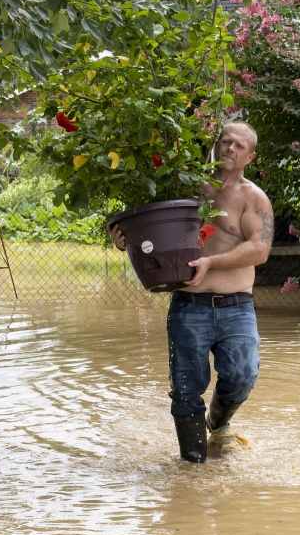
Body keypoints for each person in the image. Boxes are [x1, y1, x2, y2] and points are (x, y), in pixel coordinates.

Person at [109, 121, 274, 463]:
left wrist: (211, 261)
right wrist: (123, 237)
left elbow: (260, 250)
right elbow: (146, 227)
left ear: (249, 156)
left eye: (239, 146)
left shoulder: (252, 197)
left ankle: (218, 422)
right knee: (185, 392)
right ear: (215, 144)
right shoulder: (184, 186)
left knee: (242, 377)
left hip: (236, 306)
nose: (230, 148)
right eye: (226, 141)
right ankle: (193, 467)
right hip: (188, 305)